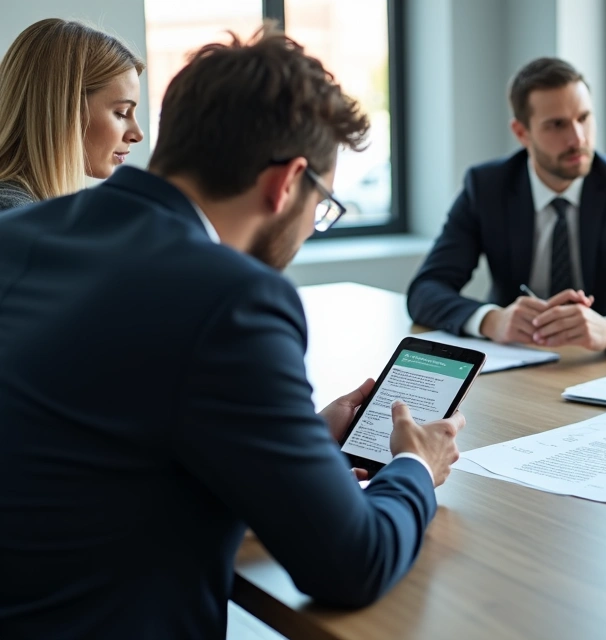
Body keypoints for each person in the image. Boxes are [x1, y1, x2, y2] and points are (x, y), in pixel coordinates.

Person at [0, 30, 462, 638]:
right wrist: (416, 469)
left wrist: (296, 443)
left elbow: (100, 443)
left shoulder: (23, 231)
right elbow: (351, 563)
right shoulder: (235, 299)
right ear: (286, 182)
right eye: (321, 204)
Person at [407, 57, 606, 354]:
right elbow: (425, 290)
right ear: (521, 133)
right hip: (515, 362)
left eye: (583, 118)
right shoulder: (487, 187)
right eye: (557, 125)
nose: (577, 138)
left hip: (602, 364)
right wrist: (492, 320)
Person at [0, 18, 145, 210]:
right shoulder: (13, 215)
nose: (137, 134)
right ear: (66, 108)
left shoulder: (37, 211)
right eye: (121, 113)